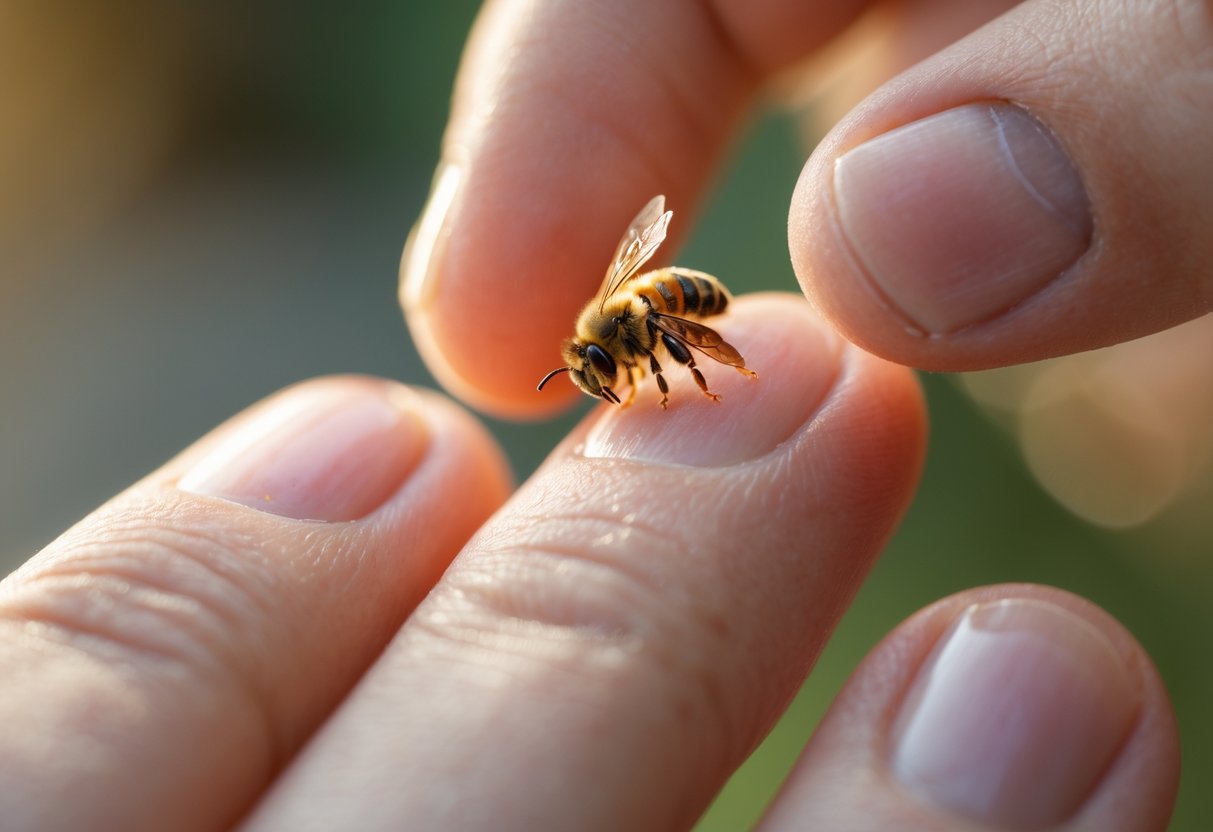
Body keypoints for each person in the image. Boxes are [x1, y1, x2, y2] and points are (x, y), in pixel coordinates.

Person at [0, 1, 1196, 829]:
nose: (607, 383)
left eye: (600, 372)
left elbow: (656, 317)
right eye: (602, 377)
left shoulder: (628, 327)